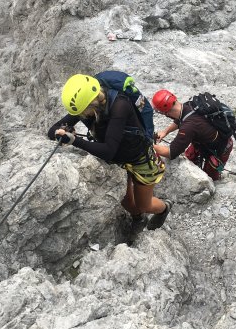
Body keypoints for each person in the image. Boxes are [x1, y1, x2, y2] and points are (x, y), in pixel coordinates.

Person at [48, 74, 172, 236]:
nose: (82, 116)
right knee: (127, 201)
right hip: (121, 158)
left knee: (144, 205)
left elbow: (108, 151)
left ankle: (164, 207)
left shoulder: (120, 105)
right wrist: (60, 132)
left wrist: (74, 141)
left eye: (83, 112)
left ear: (90, 103)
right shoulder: (85, 105)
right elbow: (53, 130)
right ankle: (138, 219)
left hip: (140, 159)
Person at [151, 89, 234, 181]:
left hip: (220, 147)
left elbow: (172, 152)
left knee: (210, 177)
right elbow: (180, 119)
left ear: (166, 112)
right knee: (189, 157)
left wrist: (147, 147)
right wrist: (165, 132)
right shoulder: (189, 105)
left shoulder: (189, 127)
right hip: (206, 140)